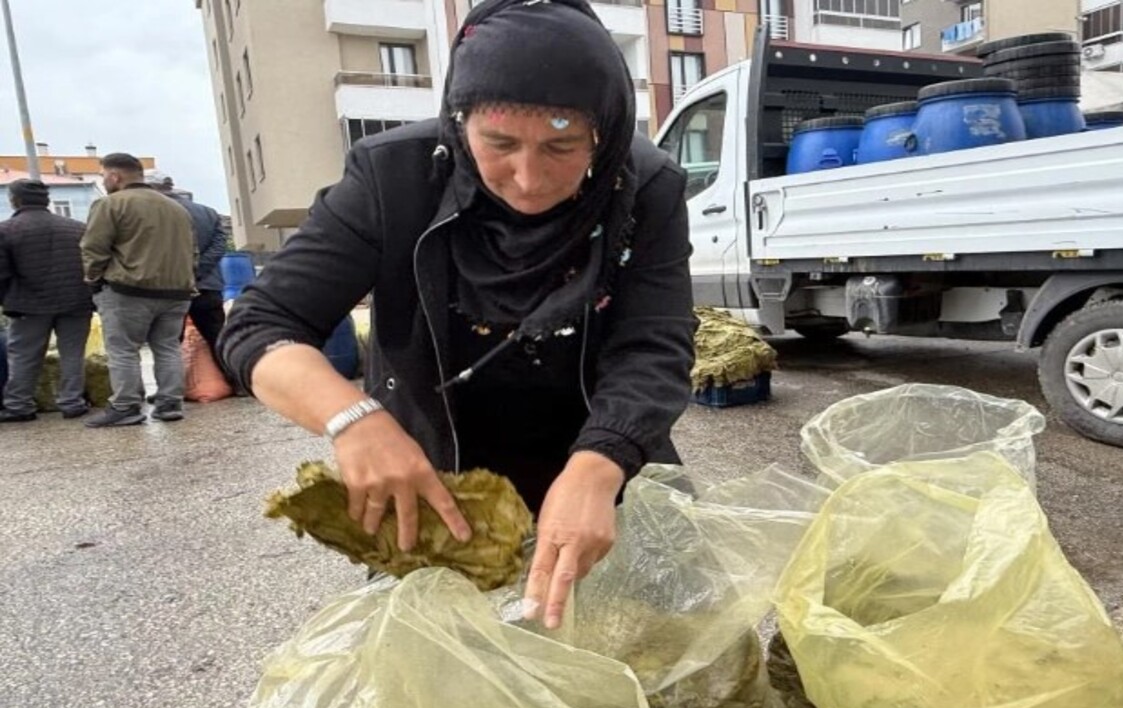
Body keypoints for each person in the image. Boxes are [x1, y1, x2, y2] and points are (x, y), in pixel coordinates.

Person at [219, 0, 695, 631]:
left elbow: (654, 343)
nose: (527, 178)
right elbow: (261, 325)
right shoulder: (392, 178)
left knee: (651, 648)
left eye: (562, 145)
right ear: (459, 121)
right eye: (499, 143)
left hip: (606, 467)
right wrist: (355, 420)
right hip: (438, 483)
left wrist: (601, 464)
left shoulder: (647, 186)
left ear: (603, 134)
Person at [81, 153, 197, 427]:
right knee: (168, 346)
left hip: (128, 289)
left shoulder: (110, 204)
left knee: (123, 349)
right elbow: (193, 251)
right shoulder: (177, 208)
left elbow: (93, 247)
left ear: (114, 176)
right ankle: (170, 403)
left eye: (103, 176)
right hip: (177, 291)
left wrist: (93, 279)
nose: (104, 181)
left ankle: (126, 406)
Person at [0, 179, 96, 422]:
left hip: (28, 304)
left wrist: (7, 300)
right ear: (46, 200)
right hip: (76, 302)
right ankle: (72, 402)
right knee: (73, 353)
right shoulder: (77, 228)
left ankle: (19, 405)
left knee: (24, 355)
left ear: (15, 200)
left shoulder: (7, 230)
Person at [146, 171, 229, 356]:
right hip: (208, 286)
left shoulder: (153, 213)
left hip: (169, 288)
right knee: (218, 341)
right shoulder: (207, 212)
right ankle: (234, 374)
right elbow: (219, 245)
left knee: (169, 346)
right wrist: (198, 270)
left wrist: (183, 272)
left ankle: (176, 377)